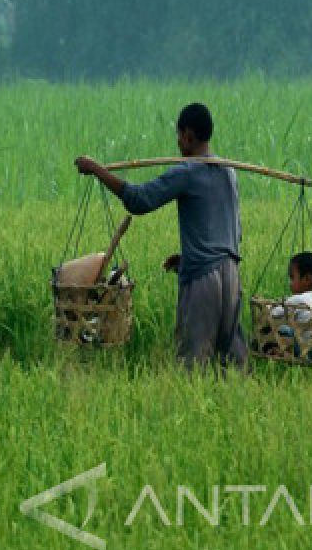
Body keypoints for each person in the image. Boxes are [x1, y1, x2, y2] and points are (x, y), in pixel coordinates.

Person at [74, 102, 249, 371]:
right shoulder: (229, 172)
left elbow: (139, 200)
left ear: (188, 135)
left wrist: (98, 171)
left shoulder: (187, 172)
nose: (178, 143)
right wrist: (189, 255)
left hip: (204, 279)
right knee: (231, 362)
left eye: (179, 136)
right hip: (231, 275)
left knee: (193, 362)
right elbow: (232, 230)